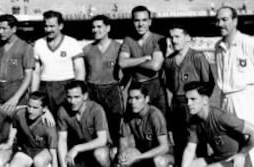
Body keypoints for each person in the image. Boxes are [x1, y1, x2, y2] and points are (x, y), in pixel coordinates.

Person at [215, 6, 254, 167]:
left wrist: (253, 93)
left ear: (235, 21)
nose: (220, 24)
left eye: (224, 19)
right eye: (218, 20)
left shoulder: (249, 43)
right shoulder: (218, 47)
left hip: (247, 98)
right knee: (233, 143)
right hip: (227, 98)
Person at [163, 24, 215, 164]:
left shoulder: (197, 56)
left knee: (199, 146)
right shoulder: (168, 61)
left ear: (187, 38)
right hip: (177, 108)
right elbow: (169, 86)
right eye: (171, 37)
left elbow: (208, 83)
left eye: (177, 36)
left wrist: (200, 105)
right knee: (179, 146)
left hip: (194, 107)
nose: (173, 40)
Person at [182, 81, 254, 167]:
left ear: (205, 101)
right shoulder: (194, 121)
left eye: (193, 99)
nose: (188, 104)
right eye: (187, 100)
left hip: (234, 161)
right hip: (218, 158)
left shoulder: (222, 117)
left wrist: (242, 154)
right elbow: (190, 149)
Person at [32, 10, 85, 117]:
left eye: (52, 26)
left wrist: (78, 92)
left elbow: (80, 70)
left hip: (66, 86)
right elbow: (36, 72)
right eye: (46, 26)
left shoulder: (72, 43)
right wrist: (34, 95)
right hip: (45, 87)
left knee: (65, 119)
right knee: (46, 121)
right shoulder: (38, 44)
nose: (48, 30)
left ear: (60, 26)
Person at [118, 5, 168, 115]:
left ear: (150, 22)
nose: (141, 24)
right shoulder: (128, 40)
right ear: (132, 22)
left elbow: (155, 66)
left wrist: (131, 63)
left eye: (144, 20)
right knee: (135, 123)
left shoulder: (159, 39)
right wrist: (144, 58)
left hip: (155, 86)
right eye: (137, 20)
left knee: (160, 123)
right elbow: (122, 63)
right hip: (136, 86)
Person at [83, 14, 124, 145]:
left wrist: (121, 87)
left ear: (108, 28)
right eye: (93, 27)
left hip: (112, 90)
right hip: (92, 91)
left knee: (115, 128)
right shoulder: (87, 49)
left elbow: (127, 71)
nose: (95, 30)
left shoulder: (118, 47)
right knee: (94, 127)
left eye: (99, 27)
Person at [115, 82, 174, 167]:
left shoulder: (155, 115)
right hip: (144, 152)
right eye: (130, 98)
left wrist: (138, 157)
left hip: (162, 154)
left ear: (146, 99)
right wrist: (121, 154)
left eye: (137, 98)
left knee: (159, 161)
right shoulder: (129, 115)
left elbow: (164, 147)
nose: (133, 102)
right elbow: (123, 142)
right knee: (117, 155)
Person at [57, 80, 110, 167]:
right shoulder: (63, 110)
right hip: (81, 152)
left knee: (101, 154)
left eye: (76, 97)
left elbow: (102, 140)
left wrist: (77, 148)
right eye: (69, 97)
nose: (72, 101)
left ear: (85, 96)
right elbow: (62, 139)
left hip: (98, 148)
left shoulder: (96, 110)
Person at [0, 14, 35, 113]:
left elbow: (28, 76)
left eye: (4, 28)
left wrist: (16, 98)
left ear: (14, 29)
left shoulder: (25, 47)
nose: (0, 32)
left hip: (16, 92)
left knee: (17, 124)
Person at [10, 91, 58, 167]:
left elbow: (53, 150)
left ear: (44, 109)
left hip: (43, 151)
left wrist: (55, 164)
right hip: (27, 150)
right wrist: (9, 142)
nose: (30, 111)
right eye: (29, 106)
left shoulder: (49, 124)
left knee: (38, 161)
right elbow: (14, 126)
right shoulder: (20, 114)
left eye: (35, 108)